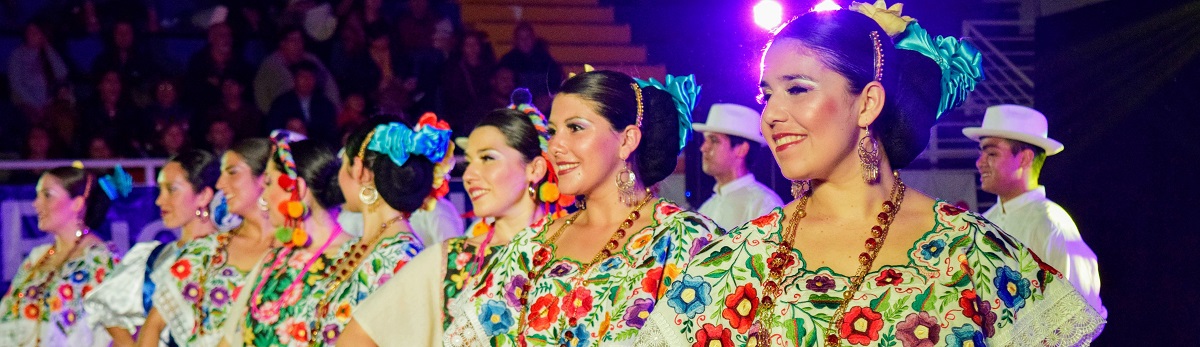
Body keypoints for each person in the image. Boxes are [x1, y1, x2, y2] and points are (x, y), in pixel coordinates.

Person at [635, 4, 1105, 346]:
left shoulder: (973, 256)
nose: (771, 117)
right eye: (766, 96)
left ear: (868, 102)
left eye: (797, 89)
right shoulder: (735, 261)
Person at [442, 70, 719, 345]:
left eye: (575, 128)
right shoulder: (532, 245)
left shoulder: (685, 241)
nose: (555, 146)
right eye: (552, 132)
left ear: (627, 140)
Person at [340, 90, 568, 346]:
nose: (469, 174)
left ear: (534, 169)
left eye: (487, 158)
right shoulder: (451, 259)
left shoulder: (577, 251)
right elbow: (357, 338)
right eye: (469, 161)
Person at [964, 104, 1106, 317]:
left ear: (1024, 158)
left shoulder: (1050, 223)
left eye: (991, 153)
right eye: (981, 153)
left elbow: (1082, 314)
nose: (980, 163)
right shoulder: (985, 222)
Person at [136, 139, 277, 346]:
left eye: (232, 172)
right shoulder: (206, 251)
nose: (220, 184)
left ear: (265, 178)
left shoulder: (297, 251)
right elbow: (153, 325)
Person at [84, 150, 221, 346]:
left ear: (203, 195)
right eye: (160, 190)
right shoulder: (152, 257)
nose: (159, 200)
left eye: (172, 189)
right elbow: (108, 313)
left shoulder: (229, 254)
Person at [243, 134, 355, 346]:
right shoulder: (275, 259)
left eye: (269, 183)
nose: (263, 197)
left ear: (298, 190)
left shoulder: (355, 260)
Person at [0, 165, 125, 346]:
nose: (36, 203)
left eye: (47, 195)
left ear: (77, 203)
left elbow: (120, 333)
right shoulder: (37, 258)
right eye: (38, 195)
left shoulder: (102, 261)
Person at [694, 103, 783, 229]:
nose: (703, 148)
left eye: (714, 140)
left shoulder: (764, 205)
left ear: (741, 149)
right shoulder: (706, 208)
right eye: (705, 140)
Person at [266, 61, 340, 147]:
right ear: (294, 79)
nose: (307, 80)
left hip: (316, 150)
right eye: (302, 77)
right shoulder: (281, 103)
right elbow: (273, 129)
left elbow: (330, 133)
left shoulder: (325, 104)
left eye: (310, 77)